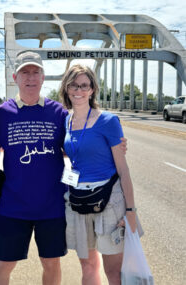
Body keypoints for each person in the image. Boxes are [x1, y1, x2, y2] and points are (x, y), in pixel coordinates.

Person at [0, 51, 68, 285]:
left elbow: (76, 146)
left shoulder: (59, 113)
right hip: (13, 206)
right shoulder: (1, 114)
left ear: (43, 78)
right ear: (15, 77)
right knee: (3, 264)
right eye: (25, 72)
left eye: (35, 72)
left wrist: (112, 145)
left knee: (51, 263)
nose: (30, 77)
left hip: (51, 205)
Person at [59, 64, 137, 285]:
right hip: (78, 200)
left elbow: (123, 169)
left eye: (84, 85)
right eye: (73, 84)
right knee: (88, 265)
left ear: (92, 89)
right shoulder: (66, 120)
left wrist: (131, 211)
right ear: (66, 87)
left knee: (113, 271)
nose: (78, 90)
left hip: (109, 200)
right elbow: (72, 153)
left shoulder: (108, 121)